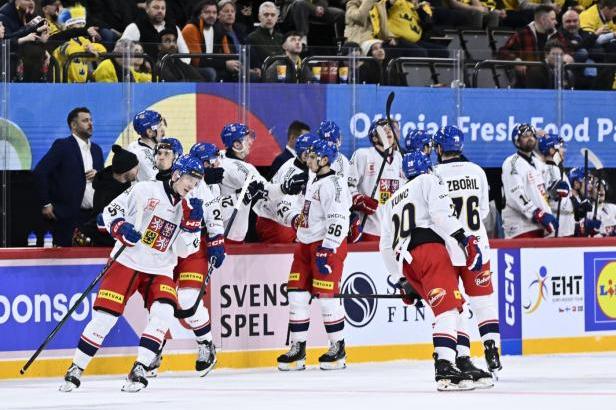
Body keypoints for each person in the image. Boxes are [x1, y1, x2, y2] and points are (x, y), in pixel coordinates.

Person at [59, 154, 205, 393]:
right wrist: (121, 228)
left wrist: (191, 226)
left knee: (164, 313)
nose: (192, 185)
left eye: (197, 181)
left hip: (160, 267)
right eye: (190, 178)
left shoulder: (192, 206)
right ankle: (76, 367)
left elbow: (183, 250)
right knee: (105, 318)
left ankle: (140, 367)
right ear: (177, 174)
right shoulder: (145, 189)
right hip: (128, 261)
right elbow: (107, 214)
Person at [379, 150, 481, 391]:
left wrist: (401, 278)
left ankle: (461, 361)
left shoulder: (391, 200)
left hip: (406, 260)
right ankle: (445, 366)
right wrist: (463, 237)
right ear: (426, 167)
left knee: (454, 306)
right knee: (447, 309)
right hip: (429, 249)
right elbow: (440, 213)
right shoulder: (429, 180)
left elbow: (384, 245)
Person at [432, 125, 501, 384]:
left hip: (449, 248)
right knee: (484, 302)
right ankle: (492, 350)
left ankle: (462, 357)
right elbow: (483, 211)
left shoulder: (434, 174)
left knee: (454, 306)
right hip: (478, 245)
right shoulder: (477, 171)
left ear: (440, 149)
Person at [276, 139, 351, 371]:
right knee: (297, 296)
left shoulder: (334, 184)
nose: (307, 159)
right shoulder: (313, 180)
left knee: (327, 299)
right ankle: (298, 349)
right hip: (305, 245)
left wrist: (328, 248)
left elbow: (339, 218)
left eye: (312, 156)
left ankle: (338, 348)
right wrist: (296, 217)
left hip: (325, 246)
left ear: (325, 159)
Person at [167, 142, 225, 377]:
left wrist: (217, 240)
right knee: (159, 301)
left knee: (188, 297)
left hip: (193, 245)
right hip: (166, 246)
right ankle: (153, 350)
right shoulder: (161, 181)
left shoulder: (201, 186)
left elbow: (213, 215)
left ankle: (205, 343)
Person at [218, 123, 308, 243]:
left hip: (216, 226)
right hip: (230, 233)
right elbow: (266, 191)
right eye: (246, 139)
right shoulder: (244, 170)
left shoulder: (220, 156)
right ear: (236, 145)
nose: (250, 142)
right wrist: (285, 188)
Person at [34, 107, 104, 246]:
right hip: (68, 217)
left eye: (91, 120)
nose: (90, 124)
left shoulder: (97, 150)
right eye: (85, 120)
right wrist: (46, 203)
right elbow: (40, 172)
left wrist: (99, 176)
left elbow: (104, 181)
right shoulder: (63, 146)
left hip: (93, 218)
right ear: (73, 125)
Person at [255, 133, 317, 243]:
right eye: (311, 153)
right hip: (275, 224)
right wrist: (296, 221)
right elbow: (283, 207)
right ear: (303, 154)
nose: (316, 156)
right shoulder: (297, 175)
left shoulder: (294, 162)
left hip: (272, 219)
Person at [349, 118, 404, 242]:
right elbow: (346, 187)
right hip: (369, 231)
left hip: (395, 233)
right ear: (374, 138)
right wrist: (359, 200)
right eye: (383, 130)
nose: (389, 131)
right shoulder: (363, 155)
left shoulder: (399, 158)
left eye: (390, 129)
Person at [76, 144, 140, 247]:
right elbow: (102, 222)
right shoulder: (106, 193)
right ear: (126, 170)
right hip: (105, 245)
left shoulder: (122, 183)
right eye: (135, 167)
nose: (138, 171)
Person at [501, 123, 557, 238]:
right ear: (517, 141)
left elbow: (548, 185)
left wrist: (559, 186)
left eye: (532, 135)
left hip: (539, 226)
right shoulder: (512, 162)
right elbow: (516, 193)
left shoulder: (537, 163)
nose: (530, 138)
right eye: (525, 136)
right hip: (520, 227)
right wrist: (537, 213)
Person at [120, 0, 190, 63]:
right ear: (147, 9)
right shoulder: (134, 27)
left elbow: (185, 54)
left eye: (163, 8)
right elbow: (121, 53)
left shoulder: (174, 28)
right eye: (156, 7)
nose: (160, 11)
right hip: (146, 73)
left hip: (174, 71)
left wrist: (181, 67)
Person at [51, 5, 106, 83]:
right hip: (62, 85)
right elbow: (71, 51)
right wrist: (86, 49)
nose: (82, 26)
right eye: (78, 23)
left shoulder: (83, 40)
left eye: (83, 23)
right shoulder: (61, 40)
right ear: (69, 25)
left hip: (80, 85)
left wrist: (90, 47)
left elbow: (102, 49)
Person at [536, 132, 575, 237]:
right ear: (552, 150)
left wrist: (577, 204)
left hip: (566, 228)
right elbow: (549, 200)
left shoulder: (558, 169)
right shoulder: (547, 170)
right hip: (555, 231)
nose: (564, 151)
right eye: (561, 147)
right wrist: (574, 205)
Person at [129, 109, 166, 182]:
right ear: (149, 132)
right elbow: (160, 182)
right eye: (159, 126)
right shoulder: (142, 155)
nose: (162, 130)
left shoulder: (134, 145)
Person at [246, 2, 284, 69]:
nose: (269, 18)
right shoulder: (251, 38)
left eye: (273, 15)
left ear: (277, 18)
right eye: (266, 15)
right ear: (259, 17)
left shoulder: (281, 38)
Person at [567, 167, 601, 236]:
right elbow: (566, 229)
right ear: (576, 183)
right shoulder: (566, 200)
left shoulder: (582, 200)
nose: (590, 186)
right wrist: (583, 225)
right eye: (586, 182)